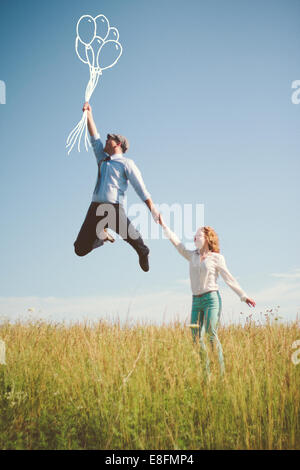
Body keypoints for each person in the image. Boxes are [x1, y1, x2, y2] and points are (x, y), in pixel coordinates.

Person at [159, 218, 256, 375]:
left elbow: (228, 278)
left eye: (198, 235)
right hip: (196, 301)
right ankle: (207, 375)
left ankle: (221, 374)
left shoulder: (217, 258)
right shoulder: (192, 256)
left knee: (211, 334)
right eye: (194, 236)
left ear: (207, 238)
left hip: (211, 299)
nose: (195, 238)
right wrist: (164, 226)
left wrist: (243, 296)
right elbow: (178, 244)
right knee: (195, 338)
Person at [74, 102, 160, 272]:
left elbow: (140, 187)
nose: (106, 140)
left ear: (118, 144)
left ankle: (144, 252)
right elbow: (94, 138)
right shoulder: (103, 159)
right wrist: (89, 115)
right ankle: (102, 234)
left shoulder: (126, 163)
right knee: (79, 249)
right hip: (95, 208)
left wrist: (153, 209)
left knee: (133, 239)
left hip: (113, 208)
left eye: (110, 139)